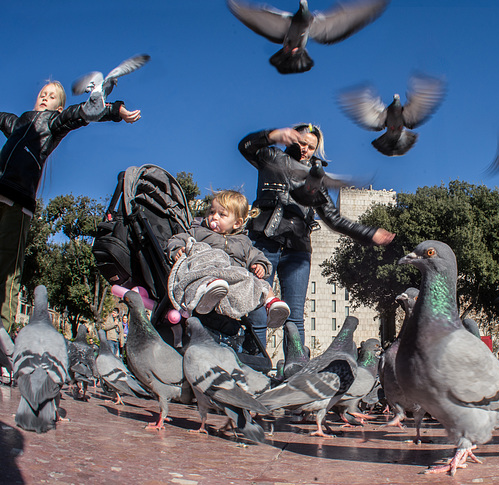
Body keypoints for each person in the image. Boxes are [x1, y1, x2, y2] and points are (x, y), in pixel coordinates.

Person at [0, 80, 140, 333]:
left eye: (51, 96)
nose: (44, 98)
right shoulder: (17, 122)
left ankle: (3, 332)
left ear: (59, 106)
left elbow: (80, 114)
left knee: (8, 270)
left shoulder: (54, 122)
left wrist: (114, 110)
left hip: (18, 202)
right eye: (42, 94)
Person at [238, 124, 395, 347]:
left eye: (311, 147)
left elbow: (334, 218)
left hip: (297, 249)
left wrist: (370, 233)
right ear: (290, 138)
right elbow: (244, 147)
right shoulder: (271, 157)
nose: (305, 149)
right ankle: (255, 361)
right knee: (256, 307)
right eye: (301, 143)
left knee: (294, 315)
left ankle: (296, 365)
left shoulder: (315, 178)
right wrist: (272, 136)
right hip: (263, 243)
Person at [166, 190, 290, 327]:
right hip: (207, 273)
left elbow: (256, 255)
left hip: (232, 283)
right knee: (210, 253)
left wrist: (260, 265)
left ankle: (271, 303)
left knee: (260, 283)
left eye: (222, 214)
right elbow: (178, 239)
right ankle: (206, 296)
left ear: (237, 223)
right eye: (212, 212)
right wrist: (177, 249)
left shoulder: (243, 242)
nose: (214, 217)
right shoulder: (199, 232)